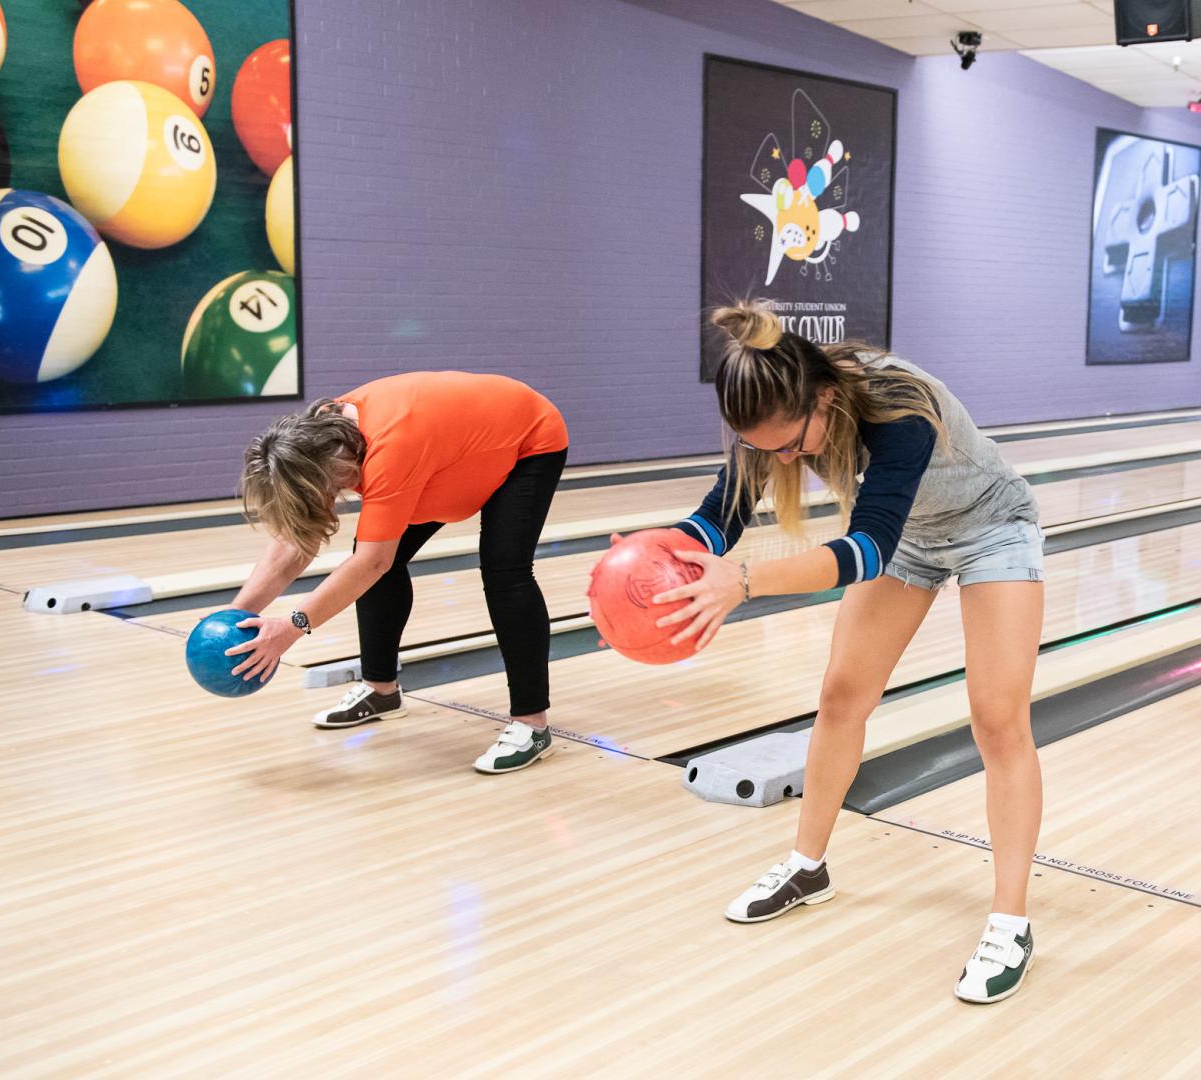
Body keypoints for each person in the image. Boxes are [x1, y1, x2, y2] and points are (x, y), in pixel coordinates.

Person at [651, 302, 1045, 1004]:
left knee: (996, 718)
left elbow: (865, 550)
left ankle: (1010, 920)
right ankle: (809, 866)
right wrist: (652, 559)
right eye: (764, 448)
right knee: (841, 697)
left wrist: (745, 582)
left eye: (789, 445)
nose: (783, 459)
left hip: (992, 525)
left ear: (825, 399)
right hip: (913, 539)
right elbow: (721, 514)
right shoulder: (775, 410)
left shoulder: (900, 408)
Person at [225, 371, 569, 775]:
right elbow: (296, 542)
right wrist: (234, 617)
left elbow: (373, 562)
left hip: (527, 440)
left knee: (504, 571)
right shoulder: (320, 435)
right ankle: (381, 690)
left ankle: (532, 724)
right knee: (369, 559)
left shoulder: (390, 450)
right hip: (451, 454)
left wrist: (292, 627)